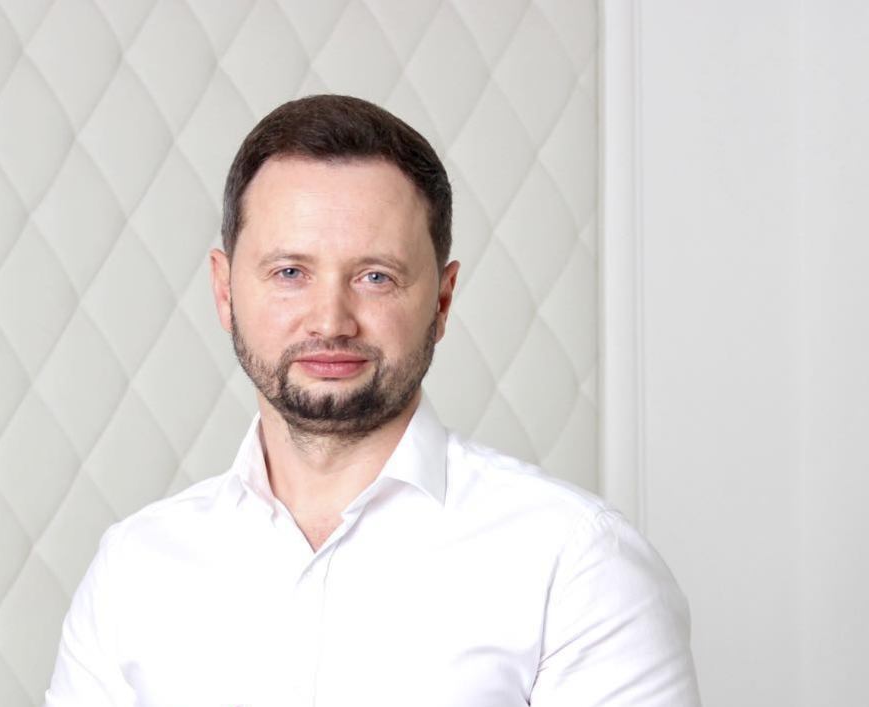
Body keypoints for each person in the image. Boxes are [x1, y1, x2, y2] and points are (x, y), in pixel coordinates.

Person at [45, 94, 700, 706]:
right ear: (225, 291)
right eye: (290, 272)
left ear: (441, 300)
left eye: (376, 276)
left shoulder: (577, 564)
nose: (330, 320)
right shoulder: (131, 570)